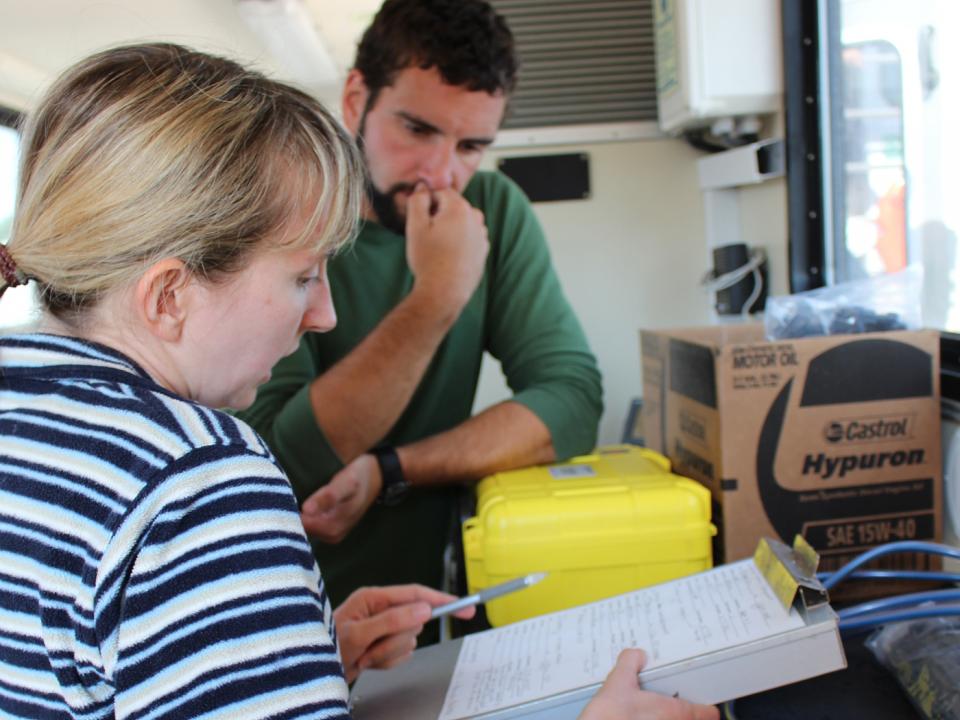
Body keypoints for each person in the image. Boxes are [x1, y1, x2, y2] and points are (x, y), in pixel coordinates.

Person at [0, 42, 718, 720]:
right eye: (304, 277)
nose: (325, 313)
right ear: (168, 297)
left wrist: (299, 661)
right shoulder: (200, 482)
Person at [238, 0, 605, 617]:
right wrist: (437, 296)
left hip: (425, 609)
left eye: (470, 145)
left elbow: (571, 401)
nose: (441, 172)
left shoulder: (493, 209)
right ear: (357, 99)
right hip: (289, 613)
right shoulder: (282, 214)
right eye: (418, 129)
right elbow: (288, 461)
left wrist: (394, 467)